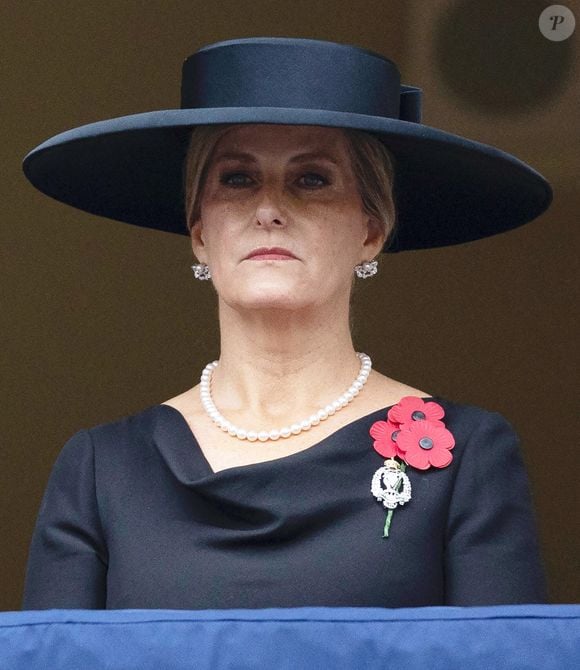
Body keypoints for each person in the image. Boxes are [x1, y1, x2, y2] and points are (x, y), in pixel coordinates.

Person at [21, 37, 551, 610]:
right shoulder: (101, 470)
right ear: (200, 232)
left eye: (312, 179)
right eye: (238, 178)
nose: (269, 208)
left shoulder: (467, 457)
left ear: (370, 231)